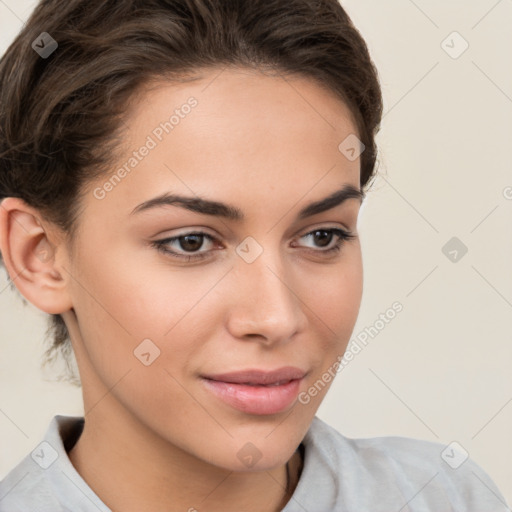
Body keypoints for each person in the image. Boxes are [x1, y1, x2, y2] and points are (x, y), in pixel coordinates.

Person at [0, 0, 509, 511]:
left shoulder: (445, 496)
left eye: (321, 236)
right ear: (38, 255)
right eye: (191, 242)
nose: (276, 318)